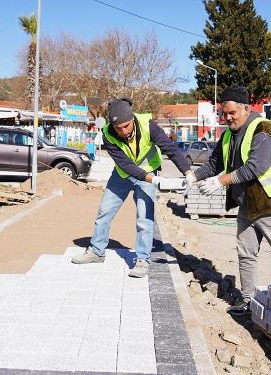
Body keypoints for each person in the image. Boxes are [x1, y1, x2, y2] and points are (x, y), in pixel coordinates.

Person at [190, 86, 271, 316]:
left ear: (246, 108)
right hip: (249, 204)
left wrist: (220, 182)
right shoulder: (228, 135)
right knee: (246, 252)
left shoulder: (264, 129)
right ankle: (248, 299)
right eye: (224, 113)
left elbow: (255, 167)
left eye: (232, 113)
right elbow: (215, 164)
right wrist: (192, 176)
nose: (227, 117)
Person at [71, 97, 194, 278]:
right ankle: (97, 251)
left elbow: (170, 148)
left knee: (144, 218)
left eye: (126, 126)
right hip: (123, 175)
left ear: (133, 119)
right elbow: (124, 164)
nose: (123, 131)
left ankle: (143, 259)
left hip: (148, 172)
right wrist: (151, 179)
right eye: (118, 128)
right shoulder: (108, 133)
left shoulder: (148, 126)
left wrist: (187, 171)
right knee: (104, 211)